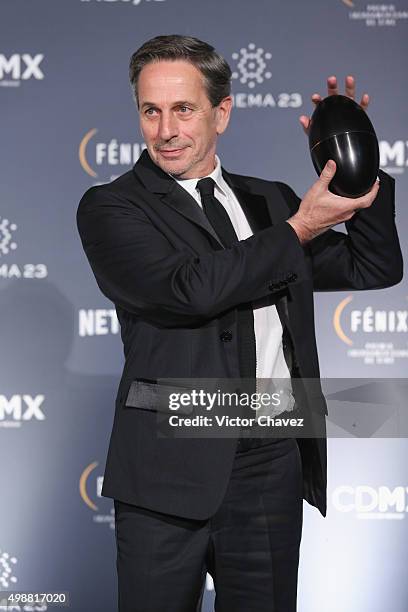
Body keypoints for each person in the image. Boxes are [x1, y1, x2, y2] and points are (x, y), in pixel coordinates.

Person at [76, 34, 403, 612]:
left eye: (183, 109)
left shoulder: (270, 203)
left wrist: (357, 169)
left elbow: (371, 266)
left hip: (269, 462)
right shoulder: (112, 206)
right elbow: (190, 290)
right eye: (150, 111)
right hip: (164, 471)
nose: (165, 129)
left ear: (221, 112)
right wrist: (299, 231)